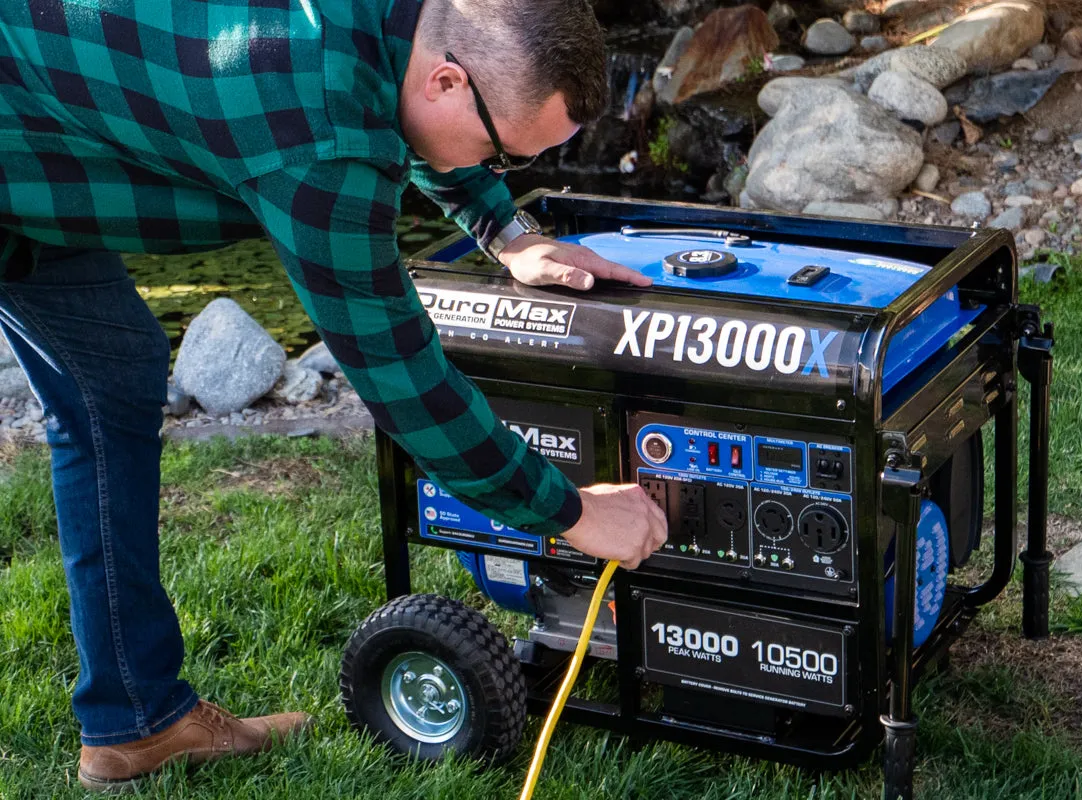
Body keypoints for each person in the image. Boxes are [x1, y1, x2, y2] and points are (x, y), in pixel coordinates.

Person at [0, 0, 668, 790]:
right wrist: (575, 512)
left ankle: (134, 723)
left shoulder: (408, 25)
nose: (498, 168)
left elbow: (402, 94)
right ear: (448, 80)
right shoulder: (319, 144)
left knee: (112, 377)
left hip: (55, 90)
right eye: (499, 153)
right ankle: (136, 717)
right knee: (107, 387)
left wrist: (509, 233)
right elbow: (406, 381)